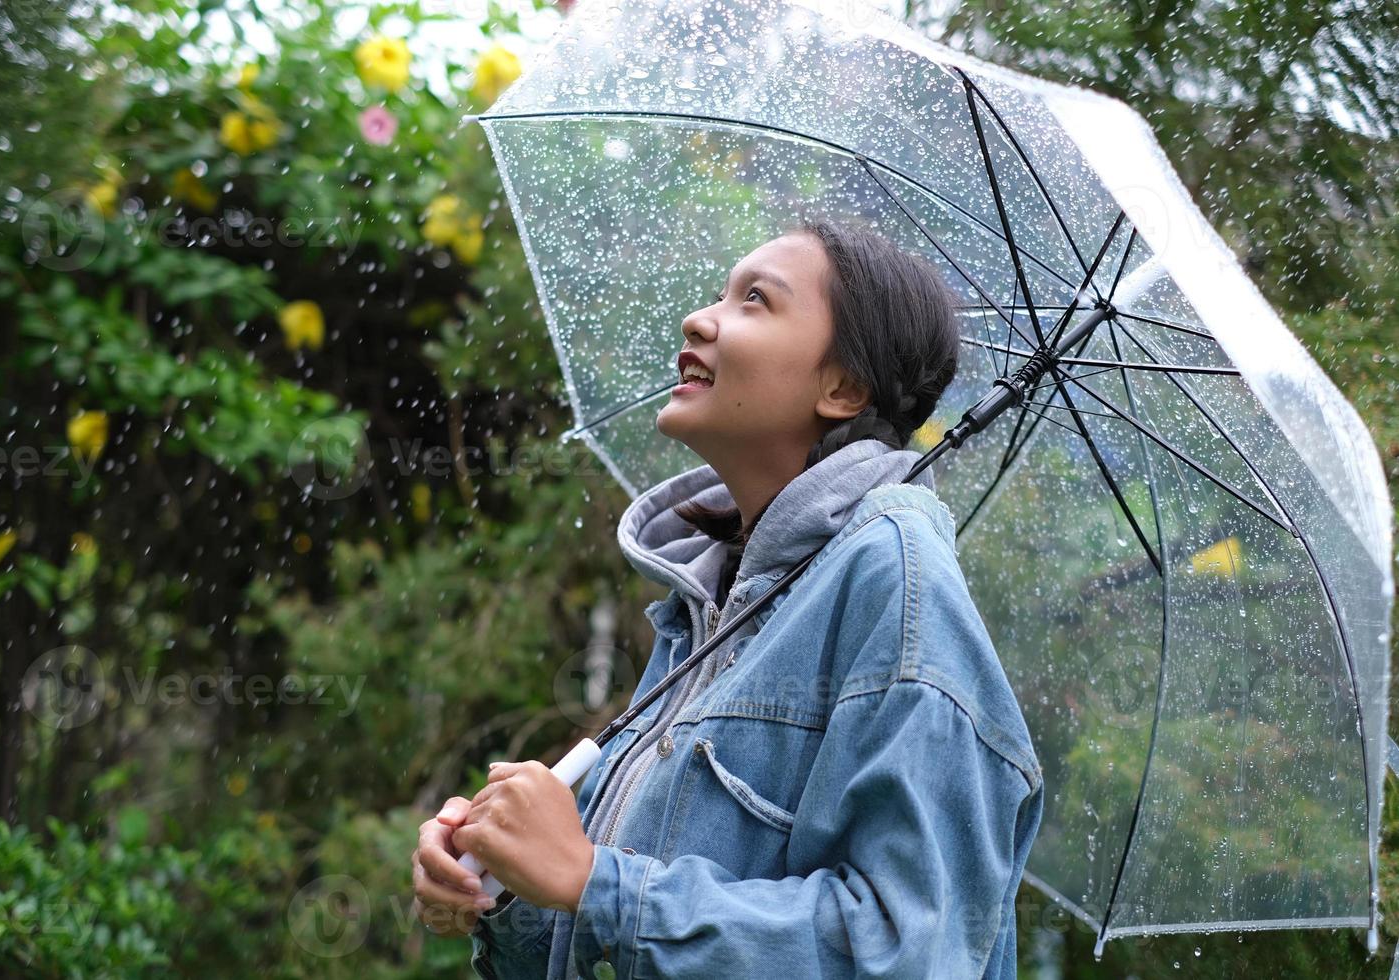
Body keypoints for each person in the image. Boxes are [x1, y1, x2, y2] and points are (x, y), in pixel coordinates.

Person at [411, 216, 1044, 979]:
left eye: (755, 300)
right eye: (722, 292)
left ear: (842, 387)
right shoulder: (707, 606)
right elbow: (602, 944)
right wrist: (502, 882)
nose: (698, 318)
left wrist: (593, 880)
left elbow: (910, 950)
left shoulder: (895, 580)